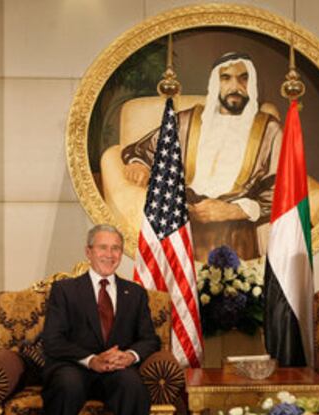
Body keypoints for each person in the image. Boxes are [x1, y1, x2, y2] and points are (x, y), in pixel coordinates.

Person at [38, 224, 159, 415]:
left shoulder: (135, 293)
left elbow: (149, 338)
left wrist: (129, 356)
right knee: (66, 385)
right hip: (75, 367)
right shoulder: (65, 290)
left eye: (115, 248)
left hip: (117, 370)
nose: (109, 254)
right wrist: (91, 360)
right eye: (103, 248)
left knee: (133, 387)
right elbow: (52, 341)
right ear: (88, 252)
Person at [121, 52, 283, 260]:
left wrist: (236, 211)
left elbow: (283, 186)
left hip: (238, 225)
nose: (235, 86)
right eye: (226, 78)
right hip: (185, 215)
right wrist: (139, 164)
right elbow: (144, 150)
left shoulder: (269, 129)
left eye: (244, 78)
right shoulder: (187, 121)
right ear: (215, 83)